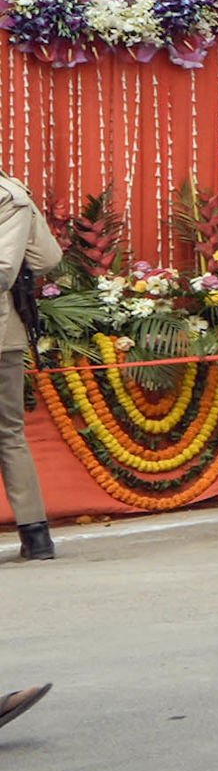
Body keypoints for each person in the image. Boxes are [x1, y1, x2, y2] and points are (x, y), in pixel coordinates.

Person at [1, 161, 60, 562]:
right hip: (5, 333)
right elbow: (46, 257)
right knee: (9, 433)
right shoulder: (12, 194)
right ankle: (35, 534)